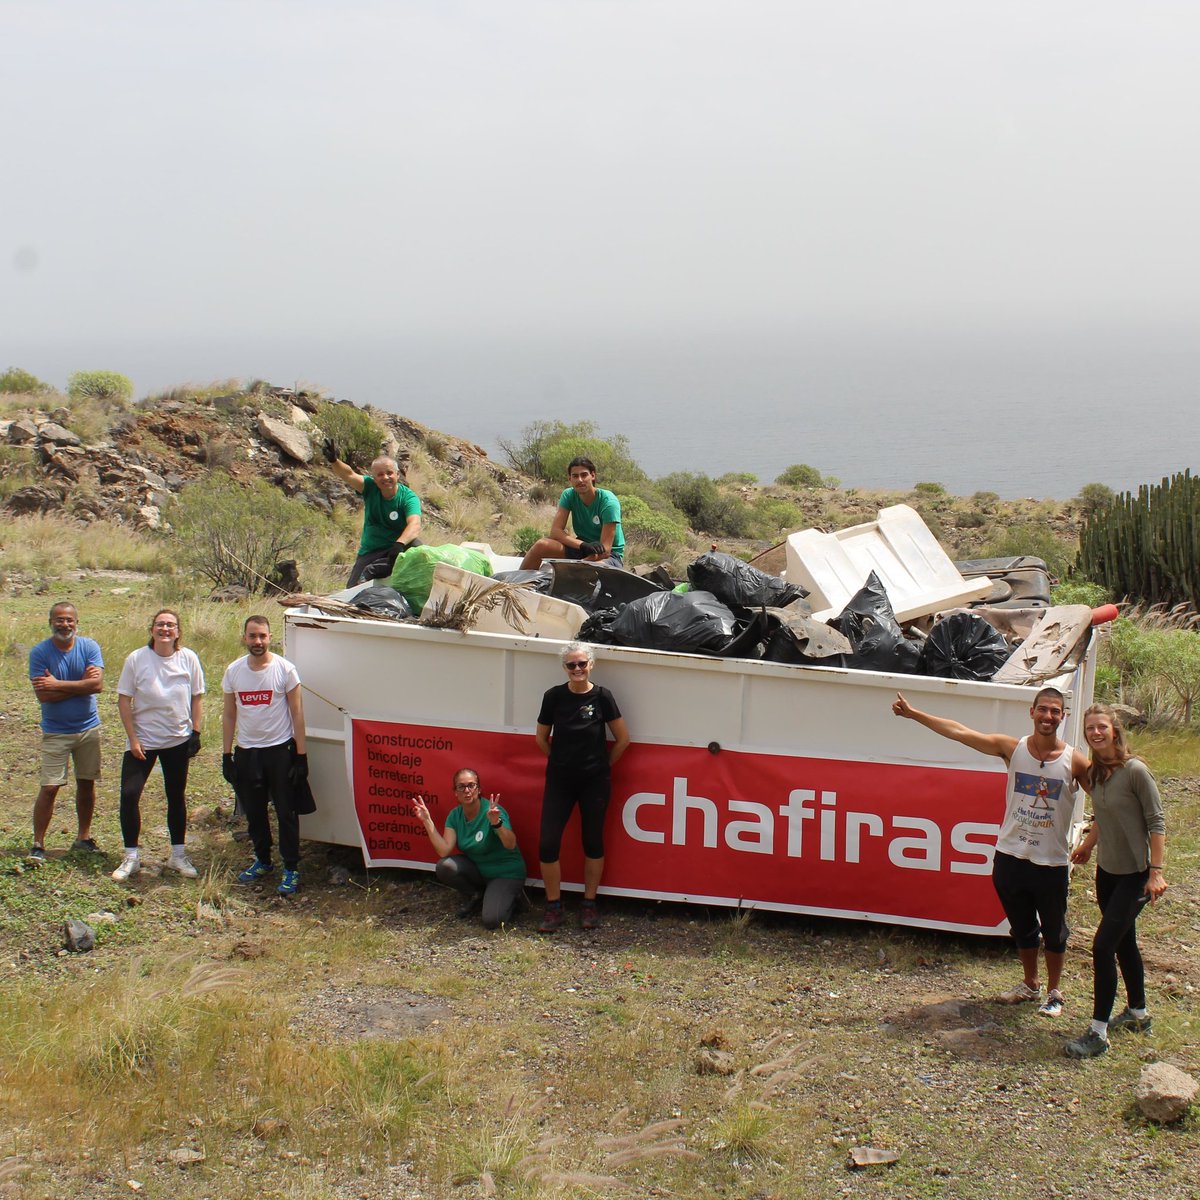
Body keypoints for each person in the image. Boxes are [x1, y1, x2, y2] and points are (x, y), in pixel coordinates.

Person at [892, 687, 1089, 1015]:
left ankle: (1054, 992)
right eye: (1043, 709)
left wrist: (1090, 842)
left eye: (1055, 711)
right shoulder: (1012, 748)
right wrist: (914, 715)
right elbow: (959, 732)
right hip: (1010, 857)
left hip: (1050, 862)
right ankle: (1030, 984)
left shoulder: (1075, 761)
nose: (1048, 716)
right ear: (1032, 712)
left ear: (1062, 716)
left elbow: (1108, 799)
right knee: (1022, 926)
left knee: (1055, 930)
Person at [1064, 704, 1168, 1059]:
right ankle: (1139, 1014)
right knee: (1124, 942)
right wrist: (1088, 846)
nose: (1096, 733)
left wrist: (1156, 872)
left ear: (1114, 730)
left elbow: (1156, 822)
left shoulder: (1135, 771)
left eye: (1101, 727)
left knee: (1103, 946)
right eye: (1090, 728)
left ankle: (1098, 1034)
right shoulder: (1095, 773)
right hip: (1107, 872)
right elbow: (1101, 816)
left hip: (1135, 875)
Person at [534, 642, 630, 931]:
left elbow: (623, 739)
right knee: (548, 844)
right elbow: (541, 738)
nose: (577, 669)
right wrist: (560, 761)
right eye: (571, 665)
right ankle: (554, 906)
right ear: (564, 667)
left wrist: (603, 765)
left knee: (592, 841)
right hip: (560, 781)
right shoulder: (553, 696)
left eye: (581, 664)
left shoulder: (603, 696)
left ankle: (589, 904)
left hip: (594, 782)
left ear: (591, 664)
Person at [112, 609, 206, 882]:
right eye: (160, 624)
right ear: (152, 629)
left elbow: (197, 697)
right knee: (130, 794)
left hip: (177, 739)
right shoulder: (136, 659)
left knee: (176, 795)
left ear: (178, 631)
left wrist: (195, 732)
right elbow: (124, 700)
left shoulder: (188, 658)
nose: (165, 629)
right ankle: (131, 856)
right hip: (143, 741)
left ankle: (178, 855)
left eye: (170, 625)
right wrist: (133, 739)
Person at [221, 615, 307, 896]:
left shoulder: (285, 670)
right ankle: (263, 860)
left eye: (262, 636)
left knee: (286, 812)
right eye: (252, 636)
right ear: (244, 638)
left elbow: (297, 714)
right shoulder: (234, 671)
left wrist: (301, 756)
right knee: (255, 812)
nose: (257, 641)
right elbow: (229, 714)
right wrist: (226, 755)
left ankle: (291, 868)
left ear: (270, 638)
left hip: (279, 751)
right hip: (247, 752)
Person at [28, 601, 105, 862]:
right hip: (56, 732)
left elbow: (97, 686)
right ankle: (38, 843)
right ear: (50, 622)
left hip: (88, 729)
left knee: (86, 783)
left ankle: (83, 837)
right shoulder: (40, 653)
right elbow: (43, 695)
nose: (65, 624)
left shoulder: (89, 647)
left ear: (77, 622)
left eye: (69, 620)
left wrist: (57, 684)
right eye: (59, 620)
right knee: (50, 787)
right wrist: (81, 685)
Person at [413, 768, 527, 928]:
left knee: (492, 921)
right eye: (461, 787)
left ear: (478, 789)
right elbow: (444, 850)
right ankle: (477, 895)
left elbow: (510, 844)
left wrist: (497, 824)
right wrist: (427, 821)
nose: (467, 791)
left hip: (505, 873)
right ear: (455, 792)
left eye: (471, 785)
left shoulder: (493, 811)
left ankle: (513, 899)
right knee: (445, 866)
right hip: (480, 871)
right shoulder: (455, 815)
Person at [323, 440, 423, 586]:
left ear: (397, 474)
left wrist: (399, 544)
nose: (385, 477)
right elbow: (348, 474)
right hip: (372, 550)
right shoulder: (369, 487)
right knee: (353, 589)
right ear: (374, 478)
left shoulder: (408, 497)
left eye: (389, 473)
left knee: (418, 551)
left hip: (399, 548)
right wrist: (334, 460)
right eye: (380, 474)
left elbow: (414, 524)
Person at [519, 456, 624, 571]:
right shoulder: (569, 495)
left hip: (608, 556)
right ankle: (517, 580)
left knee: (588, 568)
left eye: (584, 475)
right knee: (541, 545)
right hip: (581, 547)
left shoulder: (608, 502)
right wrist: (583, 545)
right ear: (570, 479)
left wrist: (579, 564)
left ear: (593, 475)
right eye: (575, 476)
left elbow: (606, 550)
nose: (580, 480)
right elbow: (555, 532)